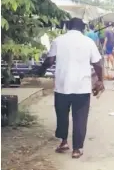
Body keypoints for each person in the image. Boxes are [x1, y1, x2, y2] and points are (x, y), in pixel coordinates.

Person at [36, 17, 104, 159]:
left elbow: (50, 60)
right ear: (82, 28)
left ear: (68, 27)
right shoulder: (88, 42)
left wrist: (40, 70)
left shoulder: (58, 40)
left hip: (62, 86)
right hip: (82, 87)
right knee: (80, 118)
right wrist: (100, 80)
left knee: (62, 115)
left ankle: (64, 142)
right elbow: (97, 63)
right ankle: (77, 149)